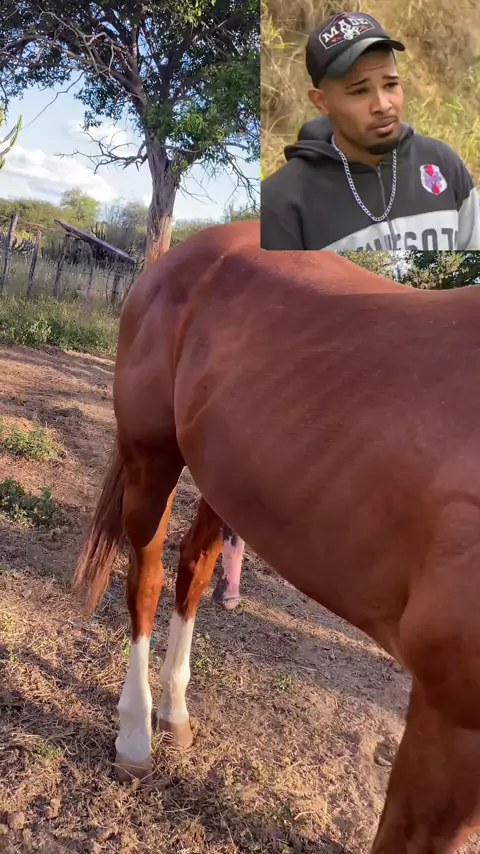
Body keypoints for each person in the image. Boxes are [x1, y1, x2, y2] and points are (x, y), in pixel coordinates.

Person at [260, 11, 480, 251]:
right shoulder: (282, 204)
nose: (383, 105)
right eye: (360, 91)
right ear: (321, 102)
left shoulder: (442, 163)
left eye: (390, 84)